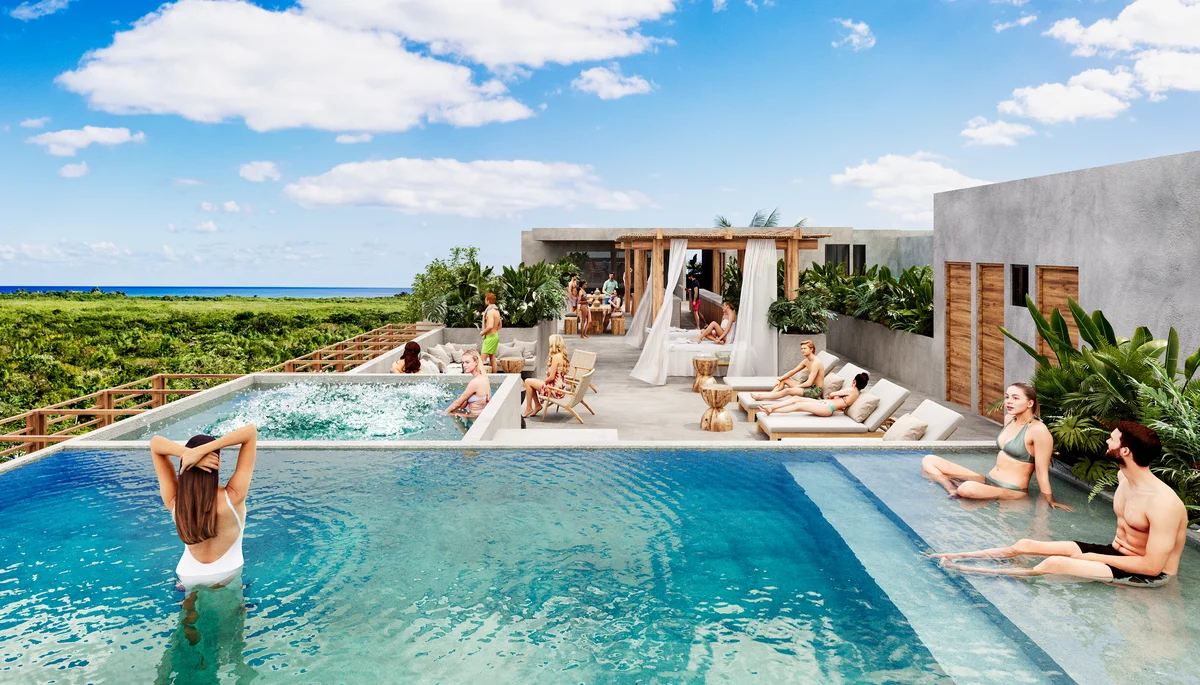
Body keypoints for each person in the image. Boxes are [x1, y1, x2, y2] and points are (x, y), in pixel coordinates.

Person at [932, 422, 1186, 588]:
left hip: (1149, 575)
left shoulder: (1162, 503)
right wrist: (1094, 555)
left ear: (1126, 452)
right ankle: (951, 556)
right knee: (1026, 545)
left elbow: (1153, 566)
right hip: (1117, 553)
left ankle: (962, 571)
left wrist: (1090, 556)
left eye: (1113, 440)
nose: (1107, 442)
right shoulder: (1125, 478)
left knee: (1055, 563)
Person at [921, 383, 1072, 506]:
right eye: (1007, 397)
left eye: (1015, 398)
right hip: (988, 480)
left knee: (967, 488)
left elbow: (1041, 472)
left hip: (1011, 489)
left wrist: (1049, 501)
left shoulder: (1038, 430)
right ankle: (950, 487)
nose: (1009, 402)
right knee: (929, 460)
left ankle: (958, 487)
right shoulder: (1009, 419)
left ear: (1029, 403)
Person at [150, 425, 259, 590]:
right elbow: (250, 432)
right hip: (227, 575)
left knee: (188, 613)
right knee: (235, 613)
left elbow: (155, 444)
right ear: (217, 462)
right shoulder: (233, 496)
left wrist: (186, 454)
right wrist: (206, 450)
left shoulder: (175, 501)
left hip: (187, 575)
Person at [761, 372, 867, 416]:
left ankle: (773, 410)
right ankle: (772, 407)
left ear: (854, 381)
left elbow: (832, 394)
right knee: (796, 398)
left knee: (798, 405)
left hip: (827, 407)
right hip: (825, 404)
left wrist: (838, 395)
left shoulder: (851, 390)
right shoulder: (858, 393)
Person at [752, 340, 826, 401]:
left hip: (815, 391)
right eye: (801, 348)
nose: (802, 350)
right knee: (784, 380)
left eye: (805, 348)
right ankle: (768, 395)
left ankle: (761, 397)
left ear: (811, 349)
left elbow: (809, 383)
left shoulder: (816, 363)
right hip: (809, 387)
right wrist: (779, 379)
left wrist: (795, 388)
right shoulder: (806, 361)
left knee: (787, 391)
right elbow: (792, 372)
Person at [522, 334, 570, 417]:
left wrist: (543, 382)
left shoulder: (556, 357)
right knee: (530, 382)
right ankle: (536, 406)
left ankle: (529, 408)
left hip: (555, 390)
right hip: (559, 388)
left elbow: (551, 377)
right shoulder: (561, 356)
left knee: (527, 381)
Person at [446, 348, 490, 418]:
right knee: (454, 411)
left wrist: (444, 412)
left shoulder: (475, 382)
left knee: (448, 413)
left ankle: (464, 429)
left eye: (467, 362)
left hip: (474, 418)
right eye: (463, 362)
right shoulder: (483, 377)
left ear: (476, 362)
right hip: (477, 416)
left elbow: (458, 402)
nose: (464, 365)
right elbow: (464, 402)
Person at [480, 292, 502, 373]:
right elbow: (500, 325)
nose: (484, 301)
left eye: (485, 299)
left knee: (481, 360)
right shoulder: (496, 311)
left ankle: (482, 380)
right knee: (492, 358)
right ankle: (494, 377)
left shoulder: (490, 312)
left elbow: (490, 326)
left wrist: (482, 332)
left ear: (488, 300)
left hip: (490, 338)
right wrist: (494, 331)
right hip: (495, 336)